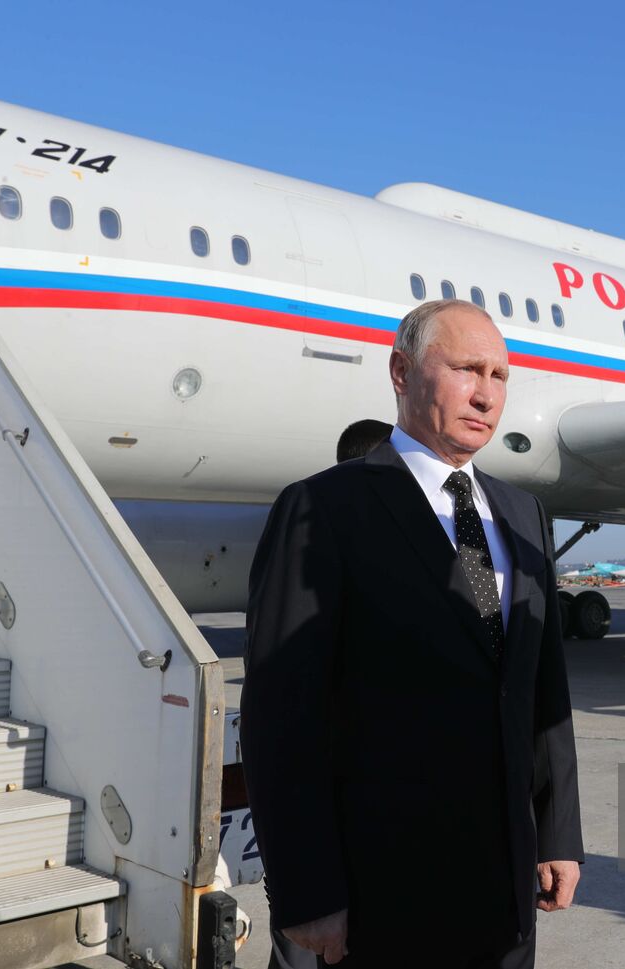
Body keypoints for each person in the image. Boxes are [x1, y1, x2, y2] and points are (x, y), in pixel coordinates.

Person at [242, 298, 583, 969]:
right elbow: (282, 719)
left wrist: (557, 831)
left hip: (507, 892)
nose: (487, 393)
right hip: (383, 894)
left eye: (500, 375)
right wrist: (307, 892)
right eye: (465, 369)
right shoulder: (324, 509)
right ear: (401, 372)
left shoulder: (522, 514)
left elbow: (539, 684)